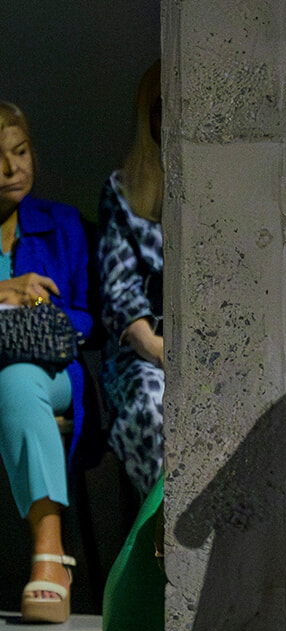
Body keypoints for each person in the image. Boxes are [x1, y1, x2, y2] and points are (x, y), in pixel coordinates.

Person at [0, 100, 92, 621]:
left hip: (47, 372)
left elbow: (87, 320)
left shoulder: (59, 223)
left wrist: (40, 307)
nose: (14, 169)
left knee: (16, 381)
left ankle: (51, 556)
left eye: (21, 151)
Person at [97, 63, 164, 500]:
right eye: (162, 109)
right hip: (144, 353)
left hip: (216, 350)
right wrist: (161, 352)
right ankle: (165, 540)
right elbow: (120, 290)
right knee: (154, 401)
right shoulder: (123, 190)